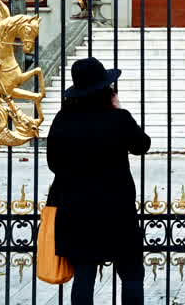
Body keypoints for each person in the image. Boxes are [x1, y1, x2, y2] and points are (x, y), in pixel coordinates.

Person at [47, 57, 151, 305]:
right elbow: (142, 145)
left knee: (84, 274)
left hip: (76, 209)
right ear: (106, 89)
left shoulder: (63, 119)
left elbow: (53, 163)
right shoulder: (118, 118)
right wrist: (118, 110)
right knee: (131, 273)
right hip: (117, 209)